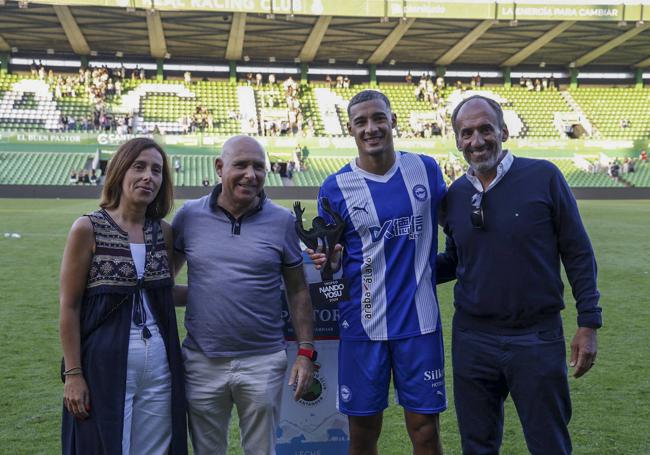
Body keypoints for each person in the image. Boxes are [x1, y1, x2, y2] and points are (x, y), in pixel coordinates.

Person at [437, 95, 601, 455]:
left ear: (504, 131)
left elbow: (577, 251)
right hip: (472, 339)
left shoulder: (543, 176)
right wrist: (393, 268)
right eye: (466, 133)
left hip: (536, 338)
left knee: (549, 444)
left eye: (485, 129)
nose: (476, 141)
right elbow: (455, 260)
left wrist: (588, 323)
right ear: (457, 140)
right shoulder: (455, 195)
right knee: (477, 446)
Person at [309, 90, 447, 455]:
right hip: (363, 326)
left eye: (378, 118)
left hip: (420, 325)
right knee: (363, 434)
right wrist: (331, 265)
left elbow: (459, 228)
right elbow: (329, 265)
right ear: (351, 129)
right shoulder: (334, 188)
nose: (371, 128)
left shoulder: (426, 170)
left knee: (425, 432)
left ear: (392, 121)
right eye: (361, 122)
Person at [172, 135, 315, 455]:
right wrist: (205, 296)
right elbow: (161, 283)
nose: (251, 174)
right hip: (201, 361)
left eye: (259, 167)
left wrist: (306, 351)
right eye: (241, 165)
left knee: (261, 451)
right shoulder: (189, 216)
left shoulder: (282, 221)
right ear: (220, 167)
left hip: (262, 361)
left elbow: (297, 289)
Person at [59, 138, 187, 454]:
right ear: (120, 171)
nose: (148, 177)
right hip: (104, 362)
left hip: (160, 361)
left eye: (157, 170)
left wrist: (223, 294)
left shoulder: (164, 232)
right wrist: (73, 374)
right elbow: (69, 305)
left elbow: (162, 294)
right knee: (104, 445)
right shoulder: (87, 228)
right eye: (139, 166)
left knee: (156, 448)